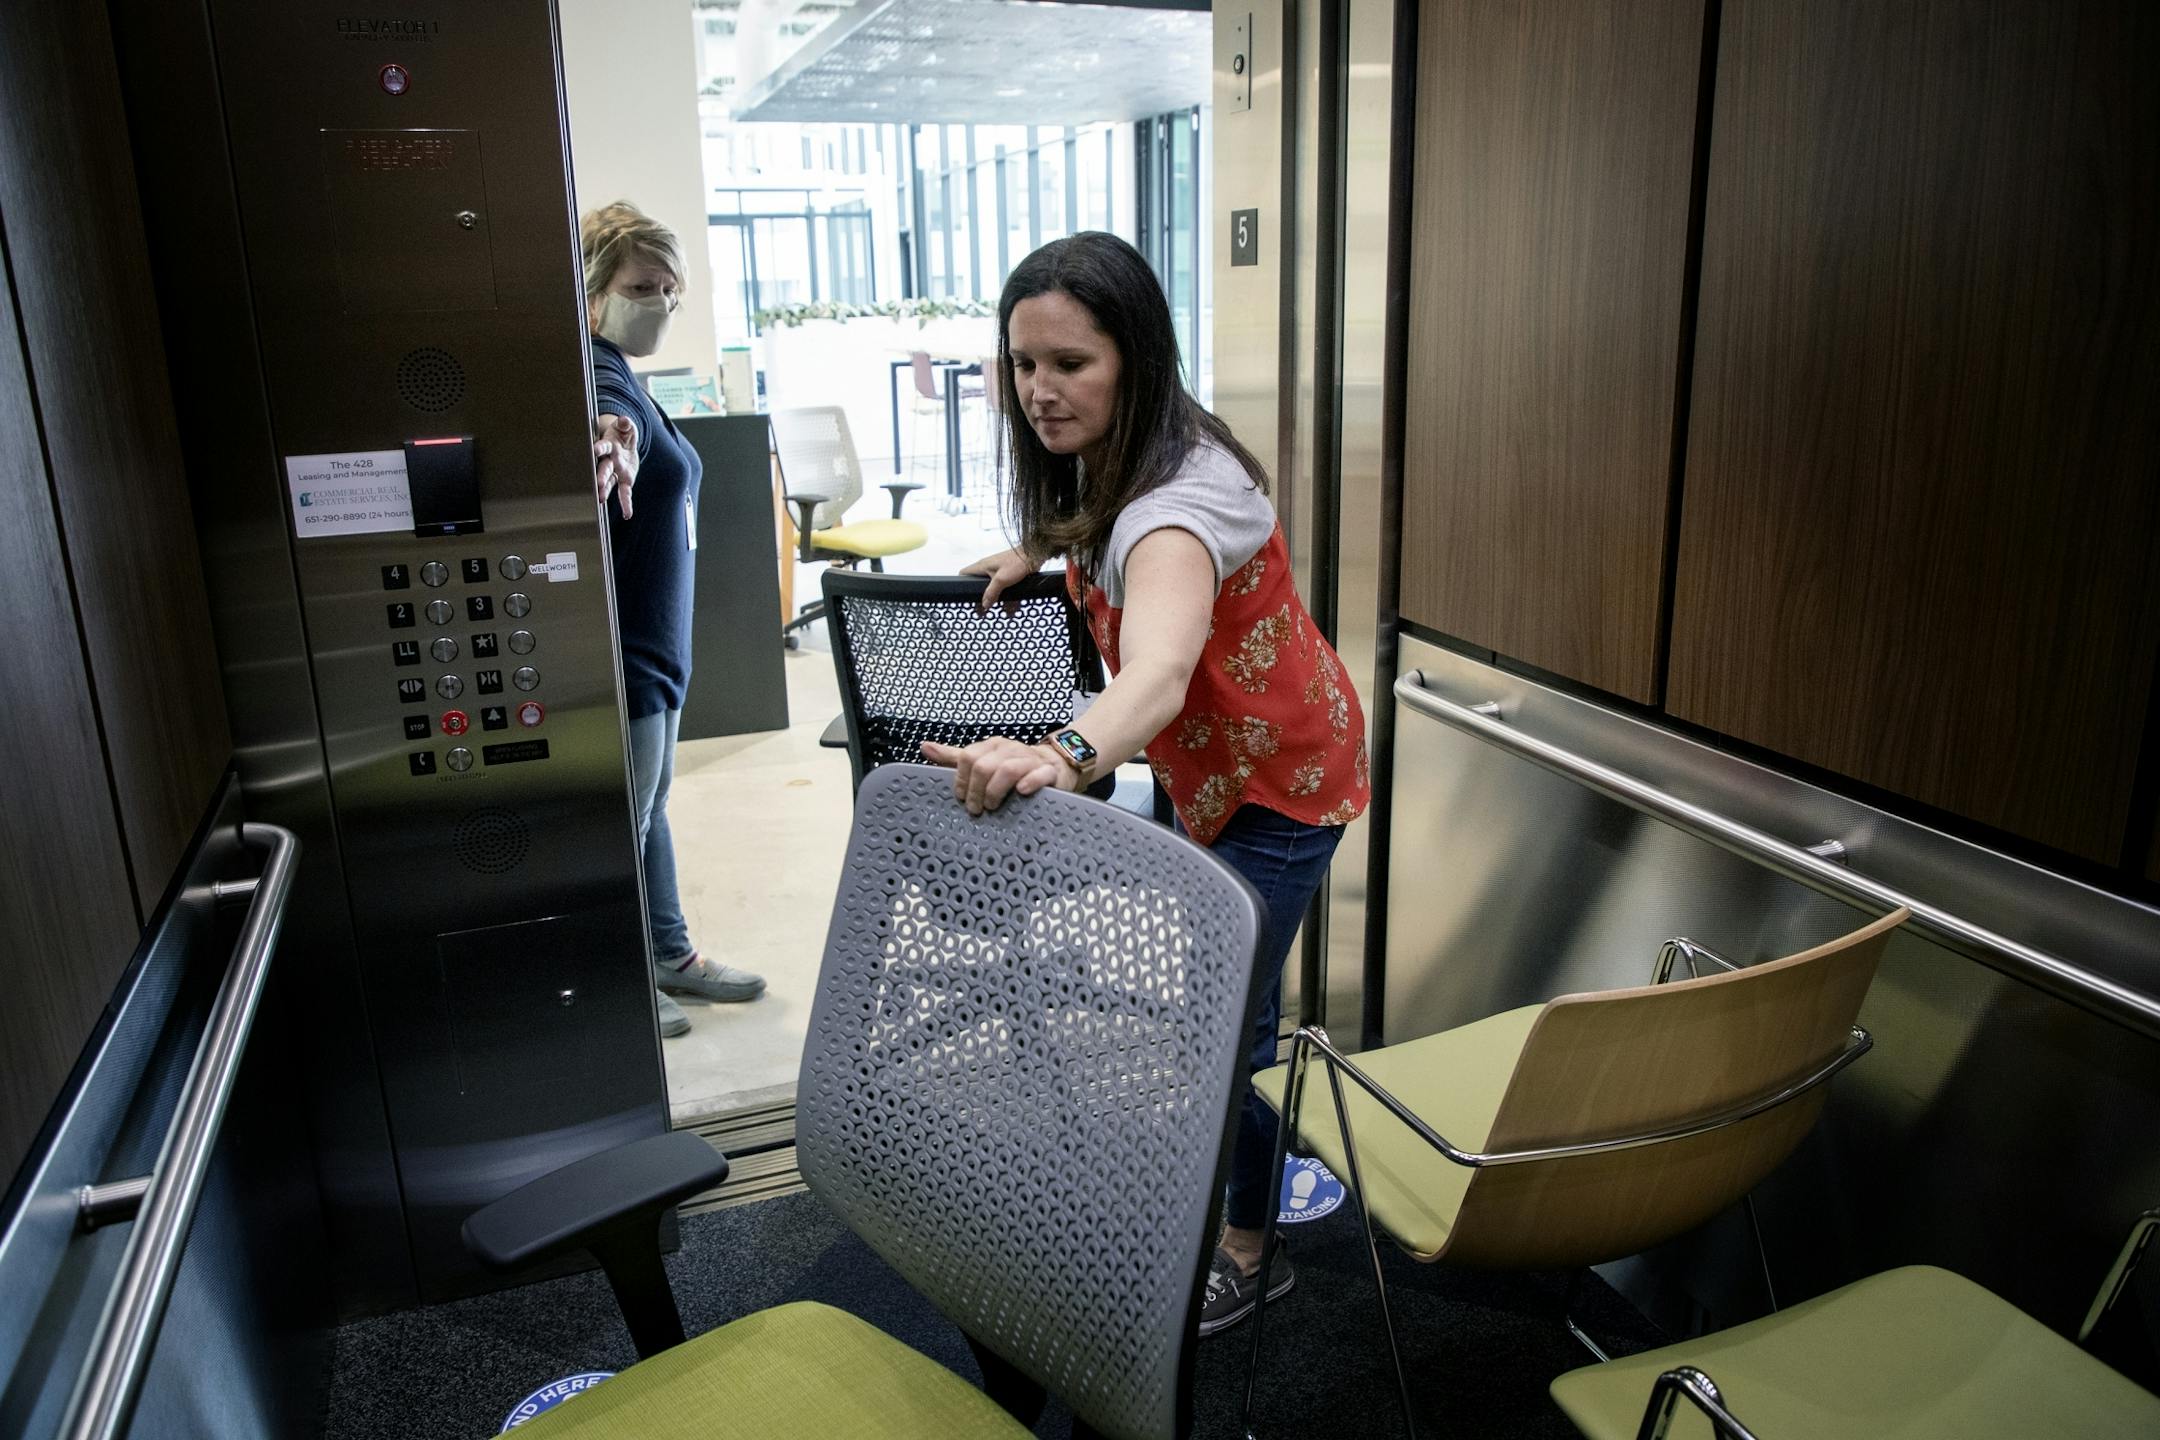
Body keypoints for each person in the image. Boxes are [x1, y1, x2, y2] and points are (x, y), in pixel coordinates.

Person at [921, 232, 1369, 1336]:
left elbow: (1160, 673)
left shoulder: (1174, 509)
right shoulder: (1130, 449)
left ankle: (1250, 1248)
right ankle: (1219, 1194)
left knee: (1229, 1034)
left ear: (1136, 358)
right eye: (1024, 363)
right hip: (1210, 771)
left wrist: (1059, 754)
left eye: (1071, 364)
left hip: (1278, 781)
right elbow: (1108, 526)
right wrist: (1041, 545)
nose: (1040, 390)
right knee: (1218, 1014)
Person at [584, 201, 766, 1037]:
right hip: (628, 649)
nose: (658, 302)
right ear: (592, 291)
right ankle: (617, 980)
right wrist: (612, 437)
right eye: (639, 287)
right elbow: (607, 419)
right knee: (624, 819)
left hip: (657, 647)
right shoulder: (600, 371)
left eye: (669, 288)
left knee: (649, 807)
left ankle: (668, 952)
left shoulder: (623, 366)